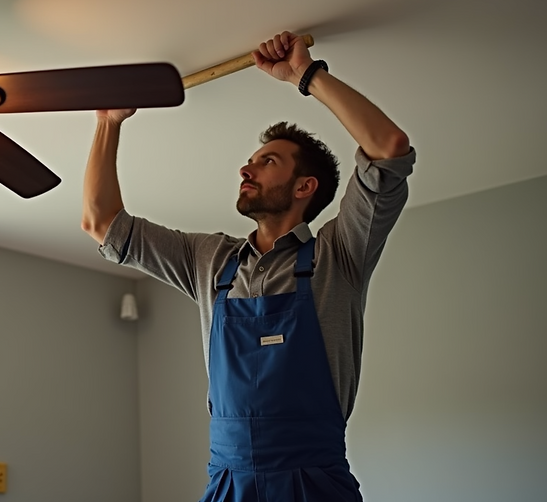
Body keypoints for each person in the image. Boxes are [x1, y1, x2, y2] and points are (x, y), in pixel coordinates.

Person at [81, 31, 415, 501]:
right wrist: (108, 121)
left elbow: (390, 147)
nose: (246, 169)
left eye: (268, 162)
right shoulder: (209, 260)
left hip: (312, 484)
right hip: (226, 484)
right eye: (251, 161)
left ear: (304, 188)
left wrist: (306, 75)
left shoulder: (338, 254)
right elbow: (102, 222)